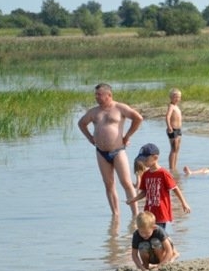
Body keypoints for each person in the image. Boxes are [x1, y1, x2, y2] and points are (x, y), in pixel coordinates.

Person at [76, 83, 143, 222]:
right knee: (109, 184)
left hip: (118, 151)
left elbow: (138, 118)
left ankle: (135, 215)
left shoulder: (120, 108)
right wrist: (90, 137)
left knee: (126, 182)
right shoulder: (94, 112)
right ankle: (115, 217)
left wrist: (127, 136)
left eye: (99, 94)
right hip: (101, 152)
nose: (96, 97)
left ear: (109, 95)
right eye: (96, 95)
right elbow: (81, 123)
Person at [128, 143, 191, 230]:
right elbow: (144, 192)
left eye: (145, 159)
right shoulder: (146, 175)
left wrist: (184, 203)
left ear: (155, 158)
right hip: (149, 212)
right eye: (142, 159)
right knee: (147, 234)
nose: (143, 162)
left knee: (159, 234)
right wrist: (134, 199)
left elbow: (175, 188)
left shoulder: (163, 173)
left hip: (161, 211)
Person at [165, 88, 183, 175]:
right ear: (171, 97)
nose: (177, 99)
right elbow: (167, 117)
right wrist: (169, 126)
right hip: (173, 129)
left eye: (178, 97)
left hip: (178, 130)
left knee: (177, 149)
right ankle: (171, 168)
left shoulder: (177, 107)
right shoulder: (171, 106)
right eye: (175, 97)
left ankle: (175, 167)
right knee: (173, 148)